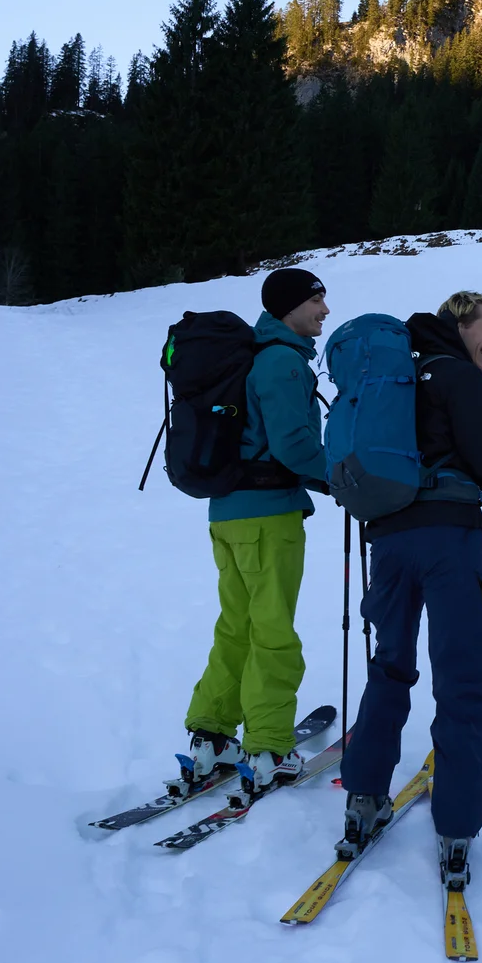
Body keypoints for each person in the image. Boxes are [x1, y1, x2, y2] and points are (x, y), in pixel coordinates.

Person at [336, 292, 482, 882]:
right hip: (448, 542)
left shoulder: (400, 376)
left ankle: (363, 800)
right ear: (459, 325)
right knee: (461, 682)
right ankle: (456, 826)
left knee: (391, 667)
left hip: (390, 542)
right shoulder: (455, 374)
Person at [178, 267, 332, 794]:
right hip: (268, 515)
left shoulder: (257, 358)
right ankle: (267, 746)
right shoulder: (282, 363)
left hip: (228, 514)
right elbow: (293, 445)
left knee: (237, 626)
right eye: (316, 301)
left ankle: (212, 736)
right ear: (289, 307)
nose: (324, 311)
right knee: (272, 631)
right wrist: (342, 479)